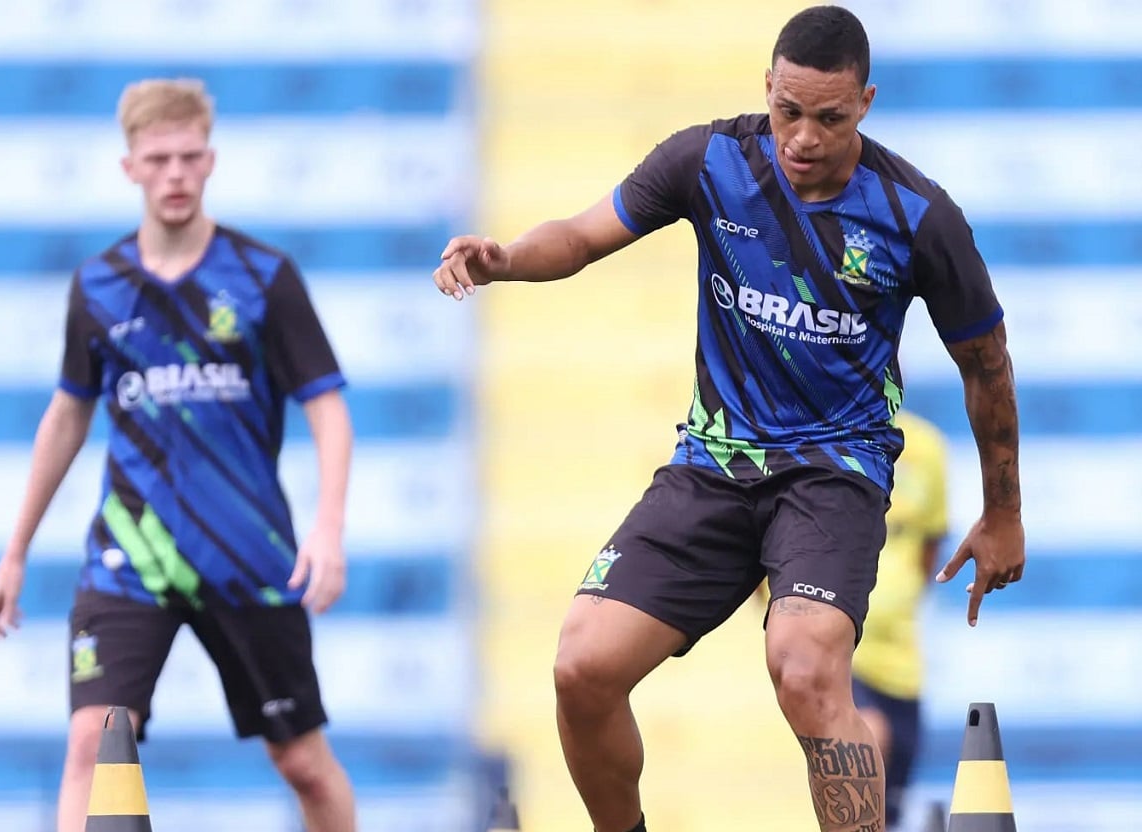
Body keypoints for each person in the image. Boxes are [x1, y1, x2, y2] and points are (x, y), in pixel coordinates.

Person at [432, 6, 1024, 832]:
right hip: (713, 463)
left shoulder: (916, 216)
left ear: (866, 103)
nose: (804, 137)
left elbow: (986, 364)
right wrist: (507, 260)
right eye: (789, 111)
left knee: (805, 667)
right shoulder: (709, 161)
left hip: (835, 473)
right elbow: (581, 234)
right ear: (767, 90)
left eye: (830, 117)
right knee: (581, 667)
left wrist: (1003, 514)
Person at [0, 78, 357, 832]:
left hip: (249, 556)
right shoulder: (98, 288)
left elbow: (328, 408)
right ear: (130, 169)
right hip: (130, 558)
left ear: (211, 160)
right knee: (92, 737)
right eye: (158, 159)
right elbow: (65, 418)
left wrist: (328, 529)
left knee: (304, 765)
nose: (175, 174)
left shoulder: (263, 278)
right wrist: (14, 550)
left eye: (189, 157)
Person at [850, 409, 949, 830]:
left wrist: (899, 601)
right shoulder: (813, 435)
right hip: (838, 645)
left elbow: (930, 543)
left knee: (889, 806)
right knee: (864, 744)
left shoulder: (925, 447)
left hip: (901, 658)